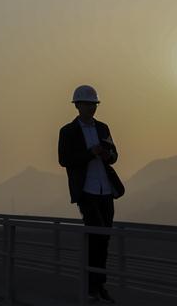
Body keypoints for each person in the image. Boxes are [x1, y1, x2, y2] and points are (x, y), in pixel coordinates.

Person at [58, 84, 125, 303]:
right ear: (77, 106)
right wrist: (90, 153)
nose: (91, 108)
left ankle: (99, 285)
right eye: (87, 104)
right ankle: (92, 285)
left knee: (104, 237)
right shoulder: (67, 131)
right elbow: (64, 160)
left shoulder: (103, 128)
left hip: (105, 189)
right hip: (86, 190)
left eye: (93, 104)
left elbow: (115, 155)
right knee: (96, 236)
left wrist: (107, 155)